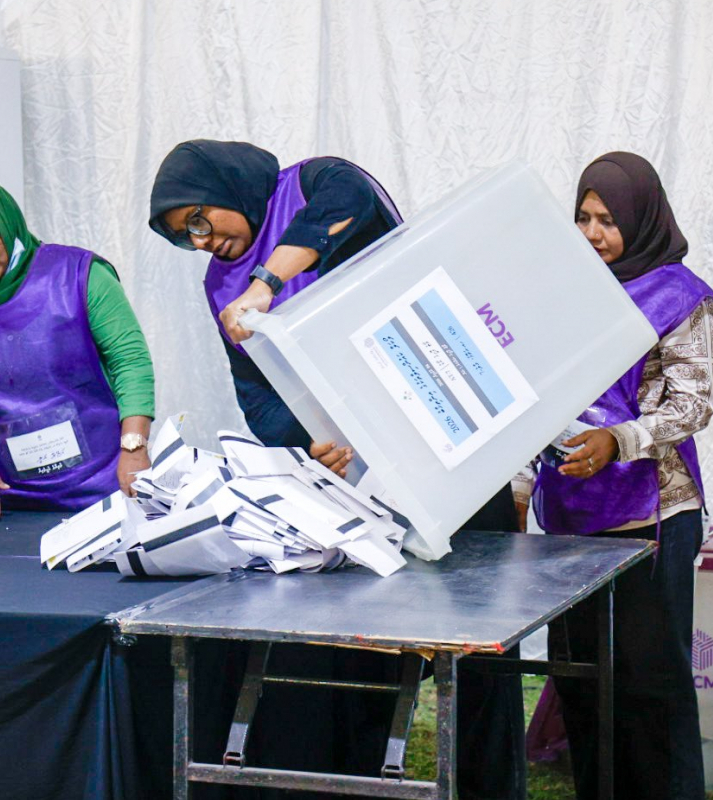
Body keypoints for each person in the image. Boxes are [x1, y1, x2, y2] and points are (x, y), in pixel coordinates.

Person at [149, 140, 526, 799]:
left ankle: (488, 787)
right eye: (186, 237)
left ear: (226, 187)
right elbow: (260, 396)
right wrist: (313, 444)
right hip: (355, 484)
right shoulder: (219, 287)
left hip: (445, 437)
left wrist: (267, 282)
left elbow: (350, 203)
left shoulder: (310, 184)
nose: (202, 242)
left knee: (477, 635)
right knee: (364, 647)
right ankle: (361, 782)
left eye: (200, 220)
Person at [516, 151, 713, 800]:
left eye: (608, 220)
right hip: (572, 515)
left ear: (641, 221)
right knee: (581, 677)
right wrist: (522, 488)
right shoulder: (566, 289)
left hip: (652, 517)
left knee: (649, 684)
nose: (592, 234)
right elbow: (535, 396)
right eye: (583, 217)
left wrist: (618, 440)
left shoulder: (679, 297)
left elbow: (692, 405)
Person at [0, 167, 155, 521]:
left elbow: (129, 361)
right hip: (8, 503)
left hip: (105, 487)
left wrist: (134, 449)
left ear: (4, 219)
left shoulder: (78, 275)